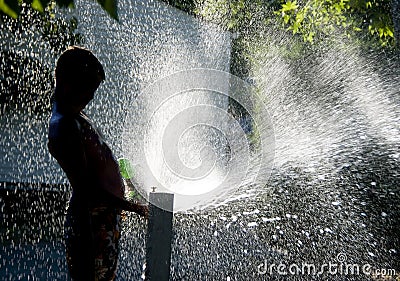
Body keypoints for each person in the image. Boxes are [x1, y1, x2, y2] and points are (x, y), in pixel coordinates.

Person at [47, 46, 148, 281]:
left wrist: (127, 185)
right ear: (66, 83)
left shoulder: (76, 116)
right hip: (89, 226)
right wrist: (134, 207)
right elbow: (86, 189)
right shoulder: (64, 126)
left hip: (102, 219)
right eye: (87, 89)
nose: (91, 96)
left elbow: (99, 167)